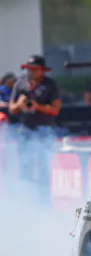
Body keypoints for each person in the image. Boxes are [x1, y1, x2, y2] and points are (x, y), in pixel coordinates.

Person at [8, 55, 62, 185]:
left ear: (42, 70)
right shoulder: (20, 83)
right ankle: (26, 191)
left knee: (44, 165)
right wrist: (19, 104)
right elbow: (11, 109)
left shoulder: (50, 85)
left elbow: (55, 110)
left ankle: (43, 193)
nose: (31, 71)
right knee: (25, 164)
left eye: (35, 69)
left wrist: (37, 106)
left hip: (44, 129)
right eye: (29, 68)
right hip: (25, 129)